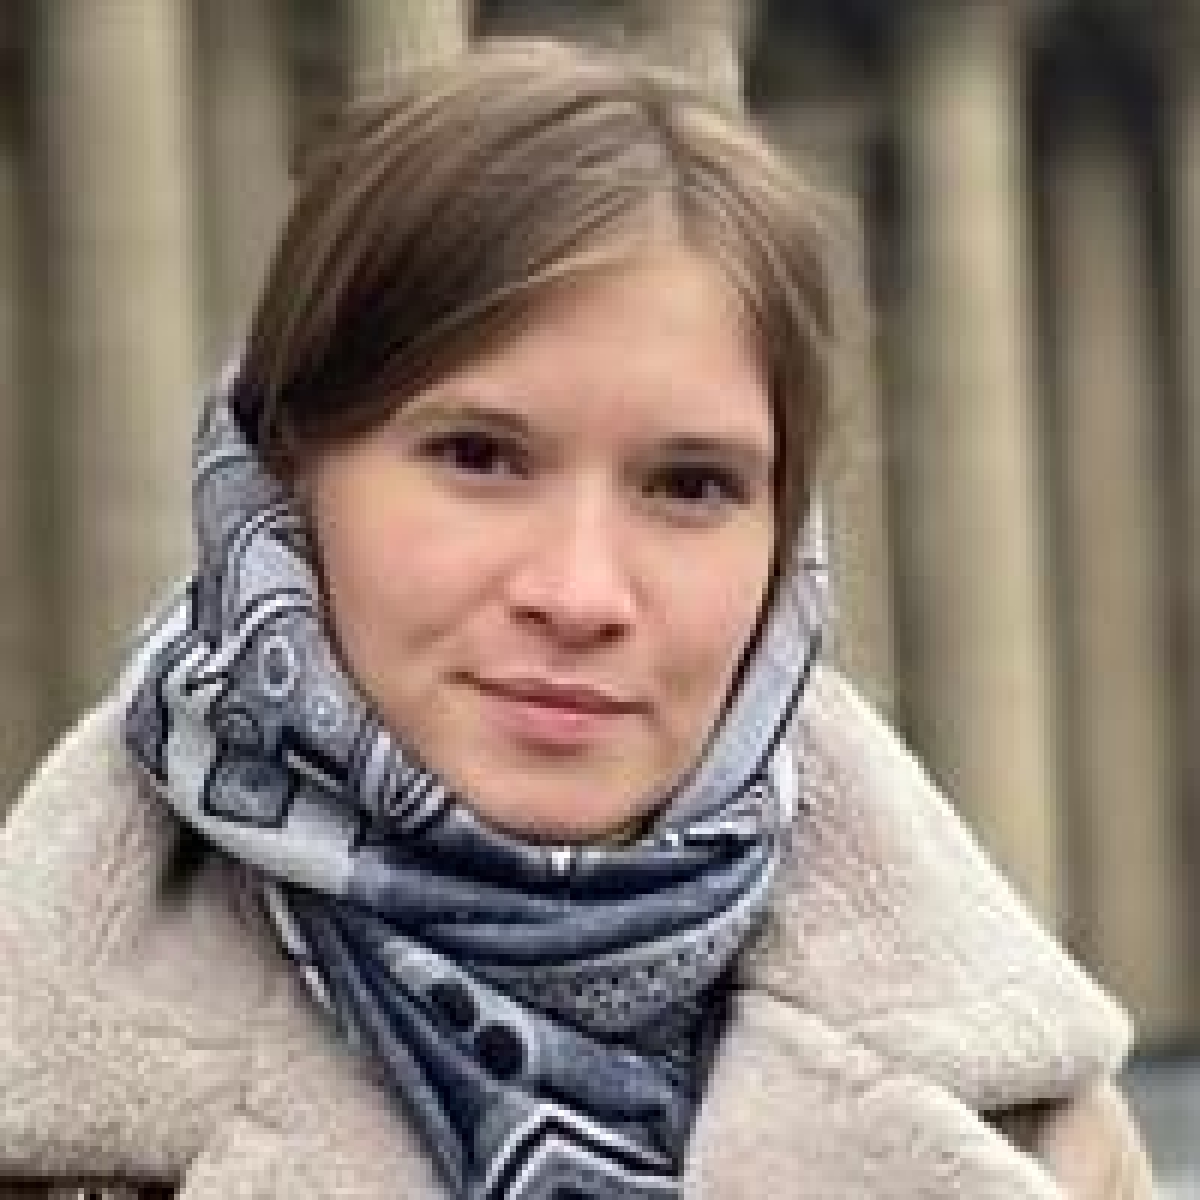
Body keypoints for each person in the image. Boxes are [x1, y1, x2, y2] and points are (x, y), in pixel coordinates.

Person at [0, 37, 1152, 1200]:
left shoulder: (1039, 1134)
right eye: (479, 456)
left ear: (786, 547)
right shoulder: (44, 1119)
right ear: (285, 475)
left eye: (691, 485)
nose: (581, 594)